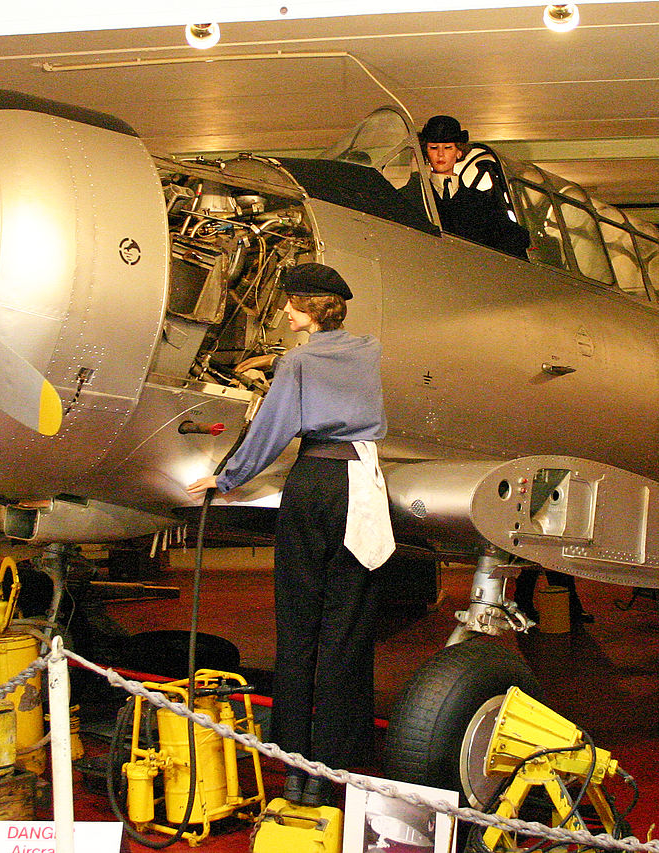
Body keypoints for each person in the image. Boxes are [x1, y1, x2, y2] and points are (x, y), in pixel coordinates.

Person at [187, 263, 393, 807]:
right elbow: (331, 363)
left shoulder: (298, 361)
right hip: (362, 483)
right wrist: (280, 362)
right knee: (346, 629)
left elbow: (273, 428)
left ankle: (295, 762)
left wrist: (227, 476)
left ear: (308, 310)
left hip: (315, 482)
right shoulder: (367, 349)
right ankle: (334, 761)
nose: (282, 312)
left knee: (298, 625)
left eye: (291, 306)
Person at [417, 115, 529, 258]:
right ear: (425, 152)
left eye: (448, 147)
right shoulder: (415, 197)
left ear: (459, 152)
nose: (440, 154)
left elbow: (515, 238)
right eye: (433, 148)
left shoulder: (482, 202)